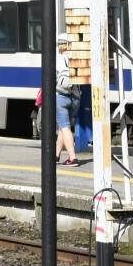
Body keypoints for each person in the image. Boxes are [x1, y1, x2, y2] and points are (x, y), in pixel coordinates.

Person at [54, 33, 80, 167]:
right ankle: (56, 155)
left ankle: (73, 158)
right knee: (64, 128)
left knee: (64, 127)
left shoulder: (57, 58)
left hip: (60, 96)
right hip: (75, 97)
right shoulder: (76, 58)